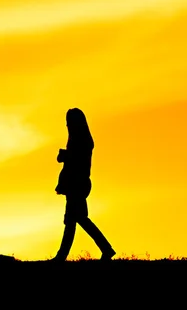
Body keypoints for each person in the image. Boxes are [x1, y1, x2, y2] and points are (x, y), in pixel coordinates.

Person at [53, 107, 115, 261]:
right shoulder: (79, 139)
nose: (67, 126)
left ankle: (62, 256)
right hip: (75, 184)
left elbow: (78, 160)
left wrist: (65, 156)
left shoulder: (83, 141)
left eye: (69, 122)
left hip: (78, 184)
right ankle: (105, 249)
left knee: (74, 220)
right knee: (75, 220)